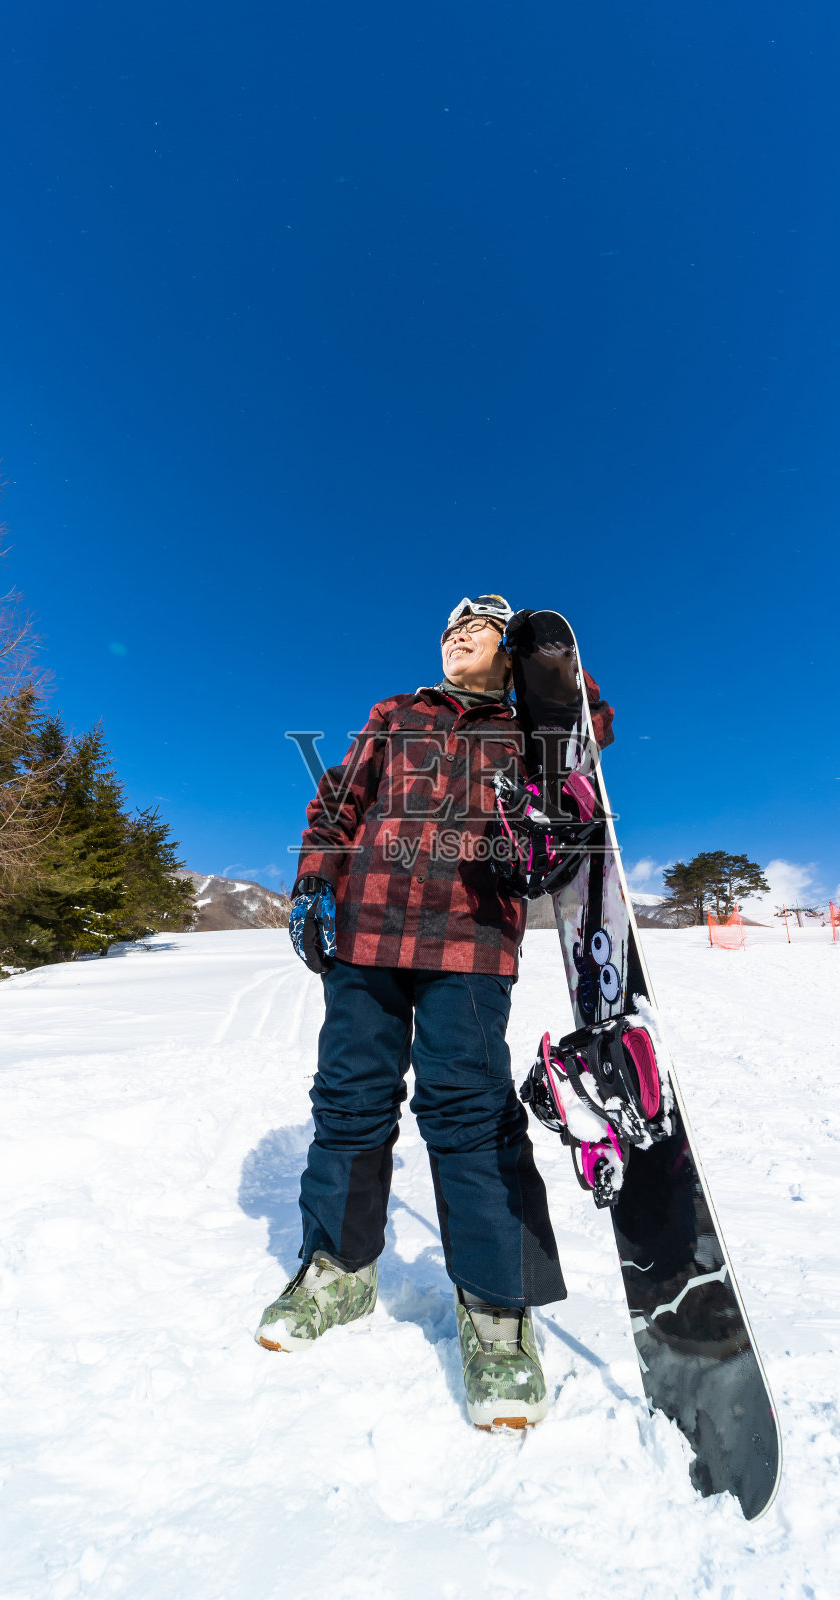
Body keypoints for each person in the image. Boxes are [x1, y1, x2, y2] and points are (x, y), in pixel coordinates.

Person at [255, 595, 613, 1430]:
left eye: (477, 629)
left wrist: (548, 660)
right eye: (449, 630)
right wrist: (315, 879)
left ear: (508, 648)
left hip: (473, 938)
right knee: (348, 1102)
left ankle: (496, 1308)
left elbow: (588, 729)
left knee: (470, 1113)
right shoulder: (397, 713)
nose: (455, 637)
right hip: (368, 932)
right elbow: (336, 804)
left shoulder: (532, 724)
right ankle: (338, 1272)